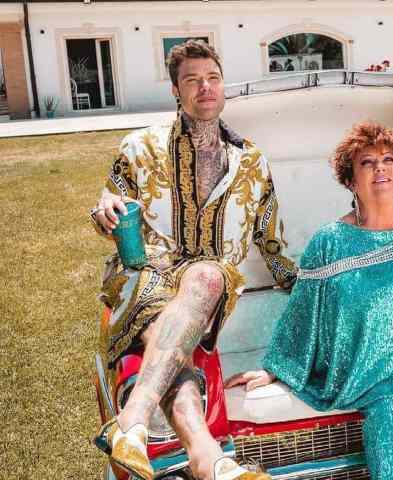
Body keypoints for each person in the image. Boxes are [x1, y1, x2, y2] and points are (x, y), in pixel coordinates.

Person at [226, 122, 393, 479]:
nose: (381, 168)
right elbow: (304, 309)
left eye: (389, 160)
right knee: (387, 411)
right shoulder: (329, 242)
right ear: (350, 181)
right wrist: (276, 367)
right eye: (367, 163)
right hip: (373, 368)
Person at [90, 40, 294, 480]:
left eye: (213, 78)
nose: (205, 87)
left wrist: (305, 285)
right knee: (175, 344)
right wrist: (104, 210)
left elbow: (270, 239)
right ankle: (208, 459)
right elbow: (110, 205)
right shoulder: (140, 147)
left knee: (205, 277)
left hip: (209, 284)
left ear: (223, 86)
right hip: (145, 276)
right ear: (175, 91)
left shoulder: (251, 161)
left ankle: (131, 423)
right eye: (193, 80)